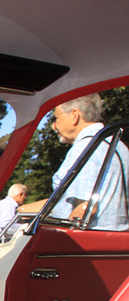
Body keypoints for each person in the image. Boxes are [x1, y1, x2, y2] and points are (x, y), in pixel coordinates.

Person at [49, 93, 129, 230]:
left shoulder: (86, 147)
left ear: (74, 115)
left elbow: (84, 208)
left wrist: (66, 239)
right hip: (117, 240)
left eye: (56, 117)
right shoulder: (118, 145)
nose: (53, 126)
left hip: (87, 242)